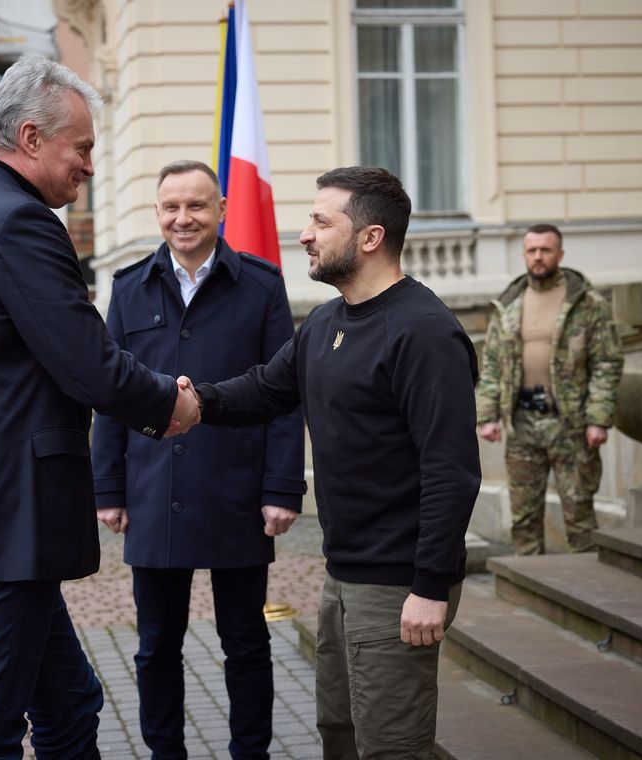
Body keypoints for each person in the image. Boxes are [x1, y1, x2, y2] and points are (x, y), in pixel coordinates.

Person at [0, 55, 200, 760]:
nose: (89, 164)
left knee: (70, 706)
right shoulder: (18, 223)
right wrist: (172, 405)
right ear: (30, 138)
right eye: (81, 147)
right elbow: (88, 363)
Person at [183, 166, 481, 759]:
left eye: (321, 220)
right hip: (343, 574)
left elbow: (452, 471)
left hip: (397, 584)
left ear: (370, 238)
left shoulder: (424, 332)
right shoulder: (325, 322)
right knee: (339, 735)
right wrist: (189, 403)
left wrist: (429, 586)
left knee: (390, 747)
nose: (305, 235)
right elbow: (266, 390)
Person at [91, 160, 307, 760]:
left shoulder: (262, 286)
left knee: (246, 640)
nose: (183, 218)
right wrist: (107, 489)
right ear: (157, 213)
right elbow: (109, 395)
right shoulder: (128, 288)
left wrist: (283, 487)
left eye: (196, 206)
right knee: (156, 645)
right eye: (171, 207)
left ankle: (251, 753)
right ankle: (165, 754)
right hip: (156, 492)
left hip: (236, 491)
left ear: (221, 211)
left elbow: (286, 396)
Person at [475, 224, 623, 555]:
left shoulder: (586, 304)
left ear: (560, 254)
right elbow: (493, 365)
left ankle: (587, 591)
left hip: (570, 424)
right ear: (525, 255)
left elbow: (607, 362)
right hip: (522, 422)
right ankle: (530, 586)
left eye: (545, 250)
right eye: (532, 250)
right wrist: (487, 415)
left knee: (579, 515)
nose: (538, 257)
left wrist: (598, 418)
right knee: (524, 518)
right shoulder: (508, 305)